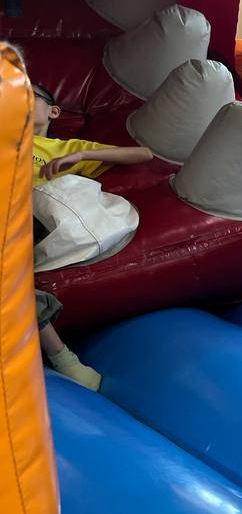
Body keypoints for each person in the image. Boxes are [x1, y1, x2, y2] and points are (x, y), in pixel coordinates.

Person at [31, 82, 154, 391]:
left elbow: (144, 154)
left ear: (53, 112)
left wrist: (82, 154)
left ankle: (63, 359)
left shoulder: (64, 150)